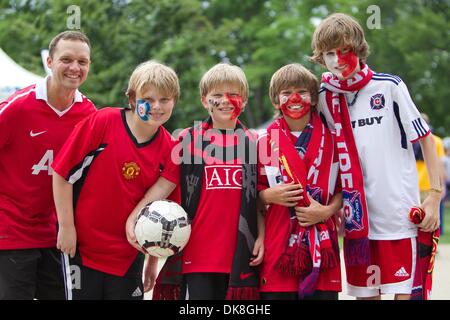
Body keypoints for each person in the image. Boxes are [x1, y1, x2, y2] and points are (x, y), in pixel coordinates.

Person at [311, 13, 442, 300]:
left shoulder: (389, 87)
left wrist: (433, 195)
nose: (337, 60)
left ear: (358, 48)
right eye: (329, 53)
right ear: (321, 58)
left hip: (398, 218)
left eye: (344, 50)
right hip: (357, 223)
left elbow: (427, 140)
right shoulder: (323, 96)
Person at [52, 60, 180, 300]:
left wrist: (152, 260)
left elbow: (160, 214)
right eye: (148, 99)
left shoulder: (170, 151)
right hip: (81, 249)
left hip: (128, 257)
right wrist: (66, 226)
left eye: (165, 99)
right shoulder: (103, 122)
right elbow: (62, 173)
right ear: (132, 98)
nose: (156, 106)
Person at [154, 63, 263, 300]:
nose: (225, 100)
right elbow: (166, 184)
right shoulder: (187, 139)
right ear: (205, 101)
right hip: (198, 253)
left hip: (240, 254)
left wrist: (262, 236)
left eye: (233, 94)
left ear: (243, 100)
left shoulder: (254, 142)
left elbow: (260, 200)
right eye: (217, 95)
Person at [0, 31, 95, 300]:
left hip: (57, 233)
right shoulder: (17, 108)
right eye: (66, 59)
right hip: (11, 230)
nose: (75, 68)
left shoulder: (89, 115)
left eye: (82, 61)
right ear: (50, 62)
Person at [256, 64, 342, 300]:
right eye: (286, 93)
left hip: (323, 242)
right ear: (276, 101)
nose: (294, 98)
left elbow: (346, 189)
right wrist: (267, 196)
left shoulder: (334, 139)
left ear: (314, 99)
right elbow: (253, 191)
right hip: (279, 241)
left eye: (302, 91)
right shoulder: (264, 141)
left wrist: (326, 211)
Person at [414, 113, 446, 234]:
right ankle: (431, 247)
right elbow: (440, 165)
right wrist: (442, 184)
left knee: (416, 219)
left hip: (414, 185)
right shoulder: (436, 140)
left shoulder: (411, 139)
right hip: (430, 185)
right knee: (430, 220)